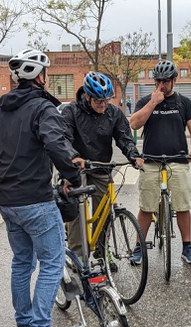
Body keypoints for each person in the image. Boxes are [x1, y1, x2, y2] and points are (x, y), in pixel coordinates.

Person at [0, 49, 80, 327]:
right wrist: (71, 174)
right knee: (50, 264)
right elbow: (55, 143)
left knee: (22, 263)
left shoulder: (2, 109)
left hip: (8, 201)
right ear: (41, 77)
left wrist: (3, 174)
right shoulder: (42, 108)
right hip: (35, 200)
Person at [61, 71, 143, 261]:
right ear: (87, 96)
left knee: (106, 210)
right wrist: (73, 157)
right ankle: (78, 257)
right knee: (77, 212)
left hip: (100, 166)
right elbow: (63, 138)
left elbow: (124, 137)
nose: (104, 105)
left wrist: (134, 156)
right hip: (77, 167)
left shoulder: (113, 113)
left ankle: (102, 252)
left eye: (107, 100)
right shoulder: (71, 111)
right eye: (99, 101)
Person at [130, 60, 191, 264]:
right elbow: (134, 124)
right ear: (154, 81)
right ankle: (139, 247)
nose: (163, 84)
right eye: (159, 80)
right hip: (151, 161)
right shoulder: (146, 100)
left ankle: (187, 247)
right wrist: (153, 102)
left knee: (182, 205)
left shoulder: (183, 102)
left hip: (177, 160)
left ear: (174, 80)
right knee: (146, 207)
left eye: (167, 80)